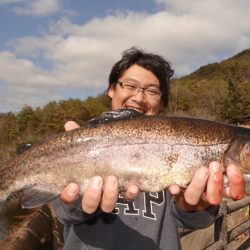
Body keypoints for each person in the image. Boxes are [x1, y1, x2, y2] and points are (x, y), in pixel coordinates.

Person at [53, 47, 245, 250]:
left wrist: (195, 206)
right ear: (111, 89)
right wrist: (78, 201)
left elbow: (195, 222)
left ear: (161, 102)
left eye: (152, 91)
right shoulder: (81, 142)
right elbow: (63, 213)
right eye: (130, 85)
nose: (139, 97)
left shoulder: (178, 148)